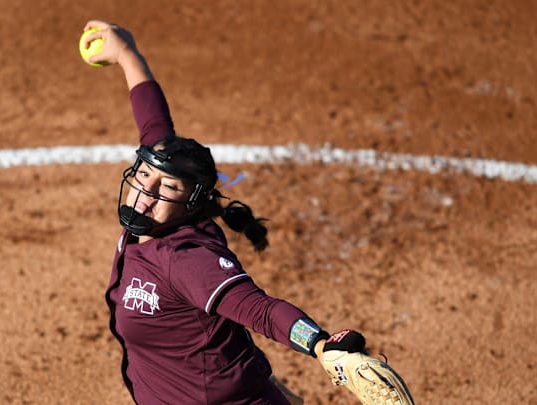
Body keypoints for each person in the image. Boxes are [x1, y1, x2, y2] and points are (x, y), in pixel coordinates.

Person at [81, 20, 368, 405]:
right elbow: (154, 124)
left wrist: (319, 345)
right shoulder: (161, 218)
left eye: (165, 188)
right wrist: (127, 54)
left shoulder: (186, 261)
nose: (144, 194)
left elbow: (260, 311)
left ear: (189, 203)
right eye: (144, 175)